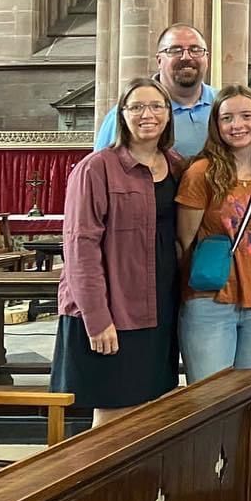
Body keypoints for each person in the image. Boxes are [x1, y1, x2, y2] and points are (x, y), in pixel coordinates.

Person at [54, 78, 186, 427]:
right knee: (113, 419)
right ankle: (103, 483)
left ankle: (141, 484)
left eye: (157, 106)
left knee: (150, 410)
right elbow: (80, 247)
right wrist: (97, 319)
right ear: (121, 115)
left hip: (158, 307)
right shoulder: (96, 168)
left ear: (168, 114)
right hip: (113, 310)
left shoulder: (175, 165)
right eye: (137, 107)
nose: (148, 114)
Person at [175, 85, 251, 382]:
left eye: (245, 116)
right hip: (212, 297)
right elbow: (185, 240)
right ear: (216, 125)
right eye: (227, 118)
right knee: (209, 398)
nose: (237, 125)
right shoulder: (201, 172)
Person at [94, 24, 216, 156]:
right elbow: (101, 168)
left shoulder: (225, 105)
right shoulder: (130, 113)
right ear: (159, 61)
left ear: (207, 59)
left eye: (196, 49)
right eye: (175, 50)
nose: (186, 57)